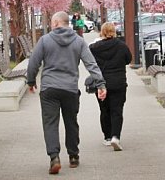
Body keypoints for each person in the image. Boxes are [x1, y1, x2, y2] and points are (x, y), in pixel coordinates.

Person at [26, 11, 107, 175]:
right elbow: (91, 64)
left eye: (51, 22)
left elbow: (33, 62)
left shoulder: (45, 40)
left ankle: (54, 157)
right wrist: (101, 84)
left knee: (50, 123)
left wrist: (31, 81)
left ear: (56, 23)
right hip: (70, 89)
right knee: (71, 122)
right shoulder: (79, 41)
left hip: (49, 88)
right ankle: (73, 156)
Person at [89, 23, 132, 151]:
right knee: (117, 110)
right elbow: (128, 60)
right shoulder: (121, 46)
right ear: (114, 32)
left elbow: (89, 61)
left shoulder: (94, 48)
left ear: (102, 32)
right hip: (118, 82)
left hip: (101, 83)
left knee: (104, 110)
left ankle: (107, 137)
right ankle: (115, 136)